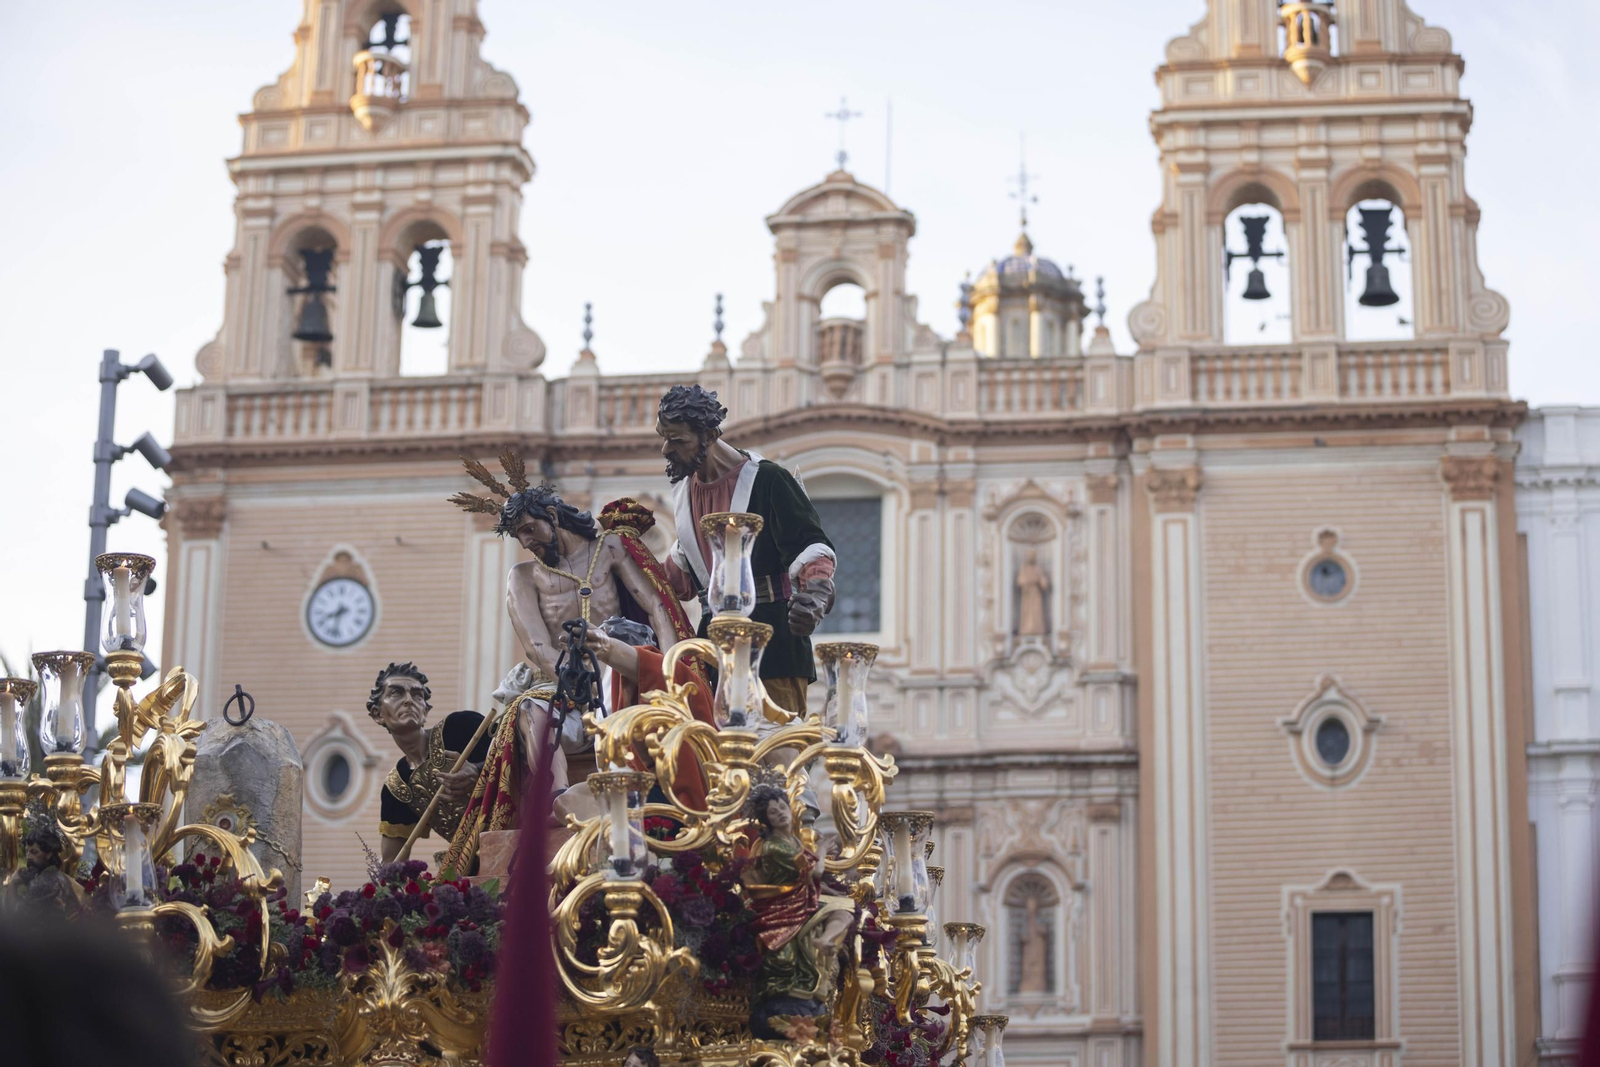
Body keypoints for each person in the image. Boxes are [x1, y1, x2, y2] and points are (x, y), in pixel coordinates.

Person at [655, 385, 836, 716]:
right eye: (663, 438)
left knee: (777, 754)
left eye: (678, 440)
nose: (667, 449)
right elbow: (677, 576)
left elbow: (810, 546)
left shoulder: (769, 480)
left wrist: (817, 595)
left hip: (772, 642)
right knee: (714, 757)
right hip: (712, 650)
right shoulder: (684, 492)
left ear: (708, 435)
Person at [740, 783, 855, 1040]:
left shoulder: (791, 841)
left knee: (846, 909)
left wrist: (832, 892)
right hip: (783, 910)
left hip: (802, 902)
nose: (780, 813)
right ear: (765, 820)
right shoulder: (774, 847)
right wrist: (823, 848)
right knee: (842, 911)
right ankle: (824, 940)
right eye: (772, 811)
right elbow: (814, 871)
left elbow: (810, 880)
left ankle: (825, 940)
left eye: (782, 807)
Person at [370, 662, 490, 863]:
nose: (409, 701)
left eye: (417, 695)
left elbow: (521, 754)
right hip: (472, 868)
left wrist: (479, 771)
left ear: (425, 710)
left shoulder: (462, 727)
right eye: (396, 693)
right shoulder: (398, 787)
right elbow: (392, 863)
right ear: (377, 714)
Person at [2, 817, 84, 915]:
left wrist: (13, 883)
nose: (28, 857)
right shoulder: (58, 876)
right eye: (26, 851)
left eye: (34, 852)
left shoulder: (43, 882)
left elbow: (15, 918)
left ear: (49, 854)